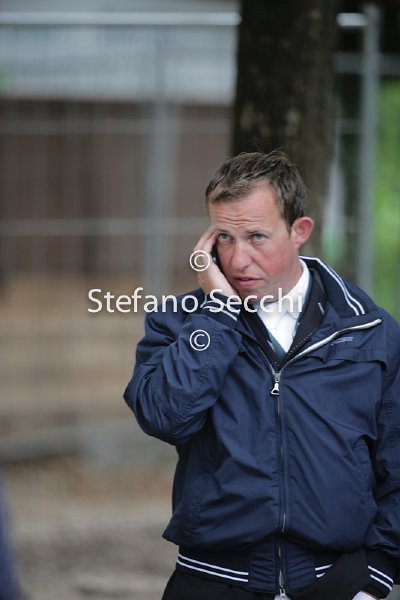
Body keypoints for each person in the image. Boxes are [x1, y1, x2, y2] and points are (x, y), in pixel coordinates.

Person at [124, 151, 400, 600]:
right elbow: (164, 417)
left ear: (300, 231)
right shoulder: (181, 324)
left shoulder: (369, 330)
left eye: (256, 237)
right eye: (224, 238)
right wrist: (218, 314)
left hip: (336, 580)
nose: (238, 260)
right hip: (212, 580)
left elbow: (396, 462)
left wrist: (378, 572)